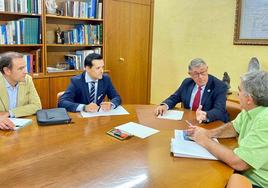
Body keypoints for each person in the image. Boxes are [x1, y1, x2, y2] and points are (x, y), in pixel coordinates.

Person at [186, 70, 268, 188]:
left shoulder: (265, 120)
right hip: (240, 174)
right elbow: (234, 127)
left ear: (249, 99)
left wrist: (204, 140)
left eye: (239, 90)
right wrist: (208, 133)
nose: (237, 94)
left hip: (255, 182)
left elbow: (240, 163)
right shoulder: (250, 109)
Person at [155, 58, 228, 123]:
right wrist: (164, 106)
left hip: (210, 123)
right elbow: (175, 97)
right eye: (196, 74)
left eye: (203, 72)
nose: (200, 77)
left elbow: (219, 110)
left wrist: (206, 115)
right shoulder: (187, 83)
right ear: (190, 74)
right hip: (189, 122)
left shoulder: (219, 86)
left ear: (207, 69)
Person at [0, 52, 42, 130]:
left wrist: (9, 113)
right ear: (7, 71)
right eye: (20, 68)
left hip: (22, 128)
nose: (25, 71)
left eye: (25, 67)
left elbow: (37, 106)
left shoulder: (27, 79)